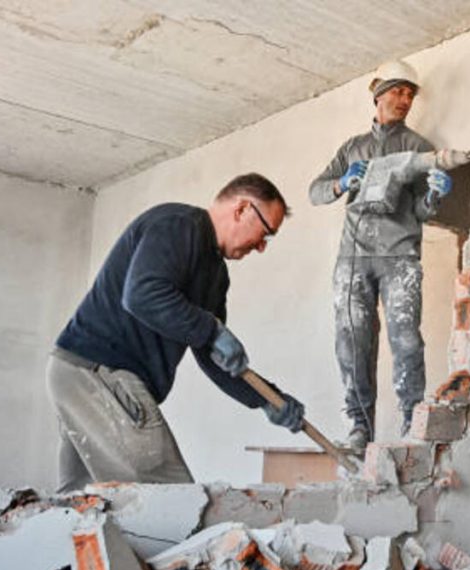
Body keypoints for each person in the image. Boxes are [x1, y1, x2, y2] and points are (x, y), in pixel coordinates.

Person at [46, 173, 305, 492]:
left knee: (80, 507)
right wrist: (210, 328)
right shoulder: (179, 225)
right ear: (241, 209)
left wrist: (267, 399)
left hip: (79, 375)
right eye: (266, 232)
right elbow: (141, 294)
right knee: (173, 500)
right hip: (97, 372)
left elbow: (215, 357)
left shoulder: (215, 274)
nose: (262, 246)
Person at [309, 60, 453, 453]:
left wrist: (434, 195)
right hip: (353, 257)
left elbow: (423, 212)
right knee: (351, 341)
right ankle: (359, 427)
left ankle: (412, 424)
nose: (404, 99)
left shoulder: (418, 147)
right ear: (378, 94)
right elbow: (315, 192)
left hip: (399, 256)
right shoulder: (353, 148)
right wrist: (342, 182)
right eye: (398, 91)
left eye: (410, 94)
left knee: (406, 340)